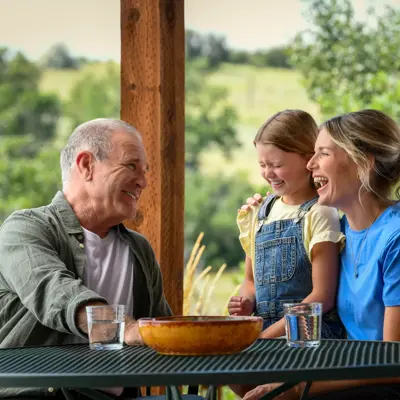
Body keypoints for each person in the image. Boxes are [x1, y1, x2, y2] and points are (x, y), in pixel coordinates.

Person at [0, 119, 172, 399]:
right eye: (131, 166)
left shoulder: (139, 248)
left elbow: (158, 327)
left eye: (145, 171)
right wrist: (123, 327)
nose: (144, 181)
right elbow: (55, 293)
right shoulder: (25, 229)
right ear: (86, 165)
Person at [242, 109, 400, 400]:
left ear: (362, 164)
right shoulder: (338, 233)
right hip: (344, 372)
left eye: (322, 153)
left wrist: (298, 389)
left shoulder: (395, 239)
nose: (310, 164)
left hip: (382, 386)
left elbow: (394, 361)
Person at [228, 109, 345, 344]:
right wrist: (245, 302)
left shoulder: (319, 213)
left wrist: (263, 338)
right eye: (262, 164)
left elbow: (322, 297)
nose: (268, 173)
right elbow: (250, 281)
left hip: (308, 336)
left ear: (307, 158)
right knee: (238, 379)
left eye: (276, 164)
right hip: (266, 335)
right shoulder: (259, 213)